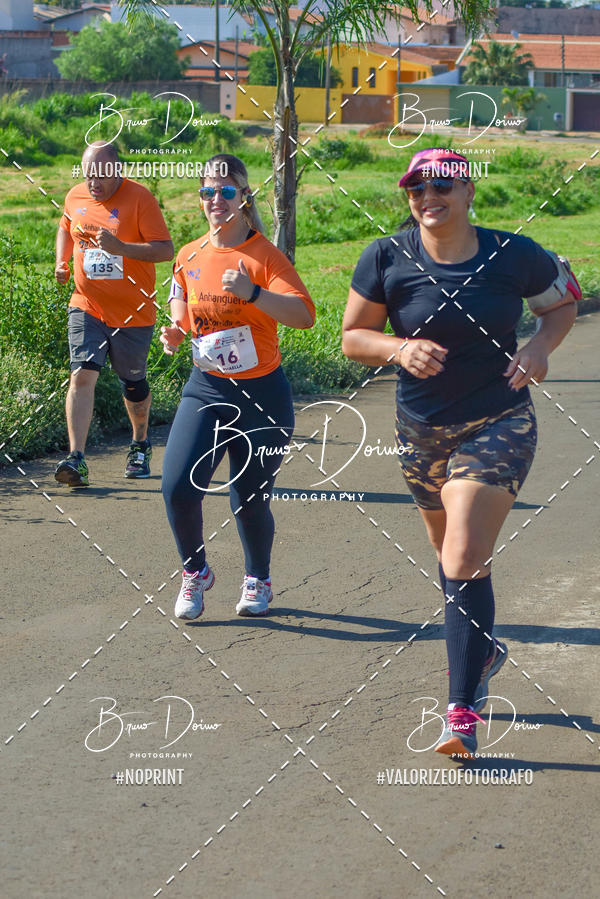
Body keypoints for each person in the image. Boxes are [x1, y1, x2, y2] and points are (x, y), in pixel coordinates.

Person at [342, 147, 581, 759]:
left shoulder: (513, 254)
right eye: (417, 190)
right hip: (421, 430)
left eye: (441, 186)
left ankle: (462, 711)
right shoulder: (387, 257)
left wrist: (539, 348)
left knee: (465, 553)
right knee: (450, 562)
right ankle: (483, 649)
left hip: (499, 420)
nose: (428, 198)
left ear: (468, 191)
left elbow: (561, 303)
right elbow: (352, 336)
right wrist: (396, 349)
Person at [160, 154, 315, 619]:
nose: (216, 200)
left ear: (243, 196)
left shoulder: (263, 255)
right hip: (206, 388)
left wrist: (253, 293)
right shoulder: (189, 254)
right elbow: (180, 301)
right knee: (176, 487)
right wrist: (173, 329)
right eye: (208, 191)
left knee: (248, 497)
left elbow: (304, 315)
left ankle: (258, 579)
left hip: (262, 395)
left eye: (226, 191)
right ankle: (195, 572)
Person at [54, 140, 174, 486]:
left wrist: (122, 248)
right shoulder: (76, 196)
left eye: (102, 176)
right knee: (82, 374)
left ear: (118, 170)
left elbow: (165, 250)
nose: (94, 183)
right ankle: (76, 458)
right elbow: (65, 226)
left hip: (133, 311)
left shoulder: (140, 199)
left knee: (132, 381)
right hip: (87, 304)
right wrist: (62, 263)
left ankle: (139, 444)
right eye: (89, 175)